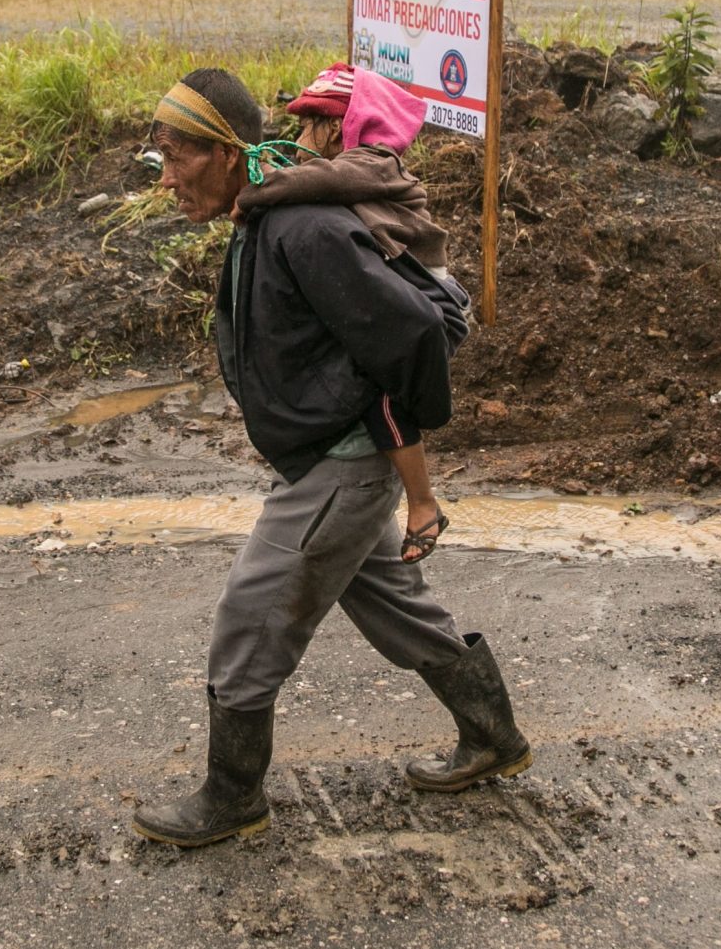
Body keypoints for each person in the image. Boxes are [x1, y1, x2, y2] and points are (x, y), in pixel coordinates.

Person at [132, 67, 530, 848]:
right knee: (395, 604)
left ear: (224, 151)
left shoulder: (302, 228)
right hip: (329, 457)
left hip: (341, 463)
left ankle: (232, 796)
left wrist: (369, 428)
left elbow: (412, 332)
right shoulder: (264, 212)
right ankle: (495, 737)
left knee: (250, 618)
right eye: (162, 158)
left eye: (179, 156)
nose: (168, 177)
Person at [236, 62, 469, 561]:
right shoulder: (352, 172)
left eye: (308, 125)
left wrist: (253, 195)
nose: (299, 136)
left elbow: (310, 179)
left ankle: (424, 502)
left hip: (429, 301)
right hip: (401, 293)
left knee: (378, 395)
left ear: (339, 127)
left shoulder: (372, 162)